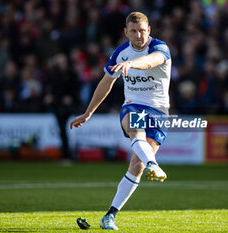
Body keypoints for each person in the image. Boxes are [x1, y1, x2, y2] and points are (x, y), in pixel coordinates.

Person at [70, 12, 171, 230]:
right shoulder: (120, 53)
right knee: (135, 129)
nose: (138, 35)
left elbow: (150, 61)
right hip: (134, 104)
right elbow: (105, 83)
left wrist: (133, 64)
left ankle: (109, 215)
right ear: (126, 32)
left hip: (159, 111)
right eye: (133, 31)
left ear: (149, 30)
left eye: (142, 30)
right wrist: (88, 113)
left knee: (137, 164)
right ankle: (154, 164)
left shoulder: (160, 48)